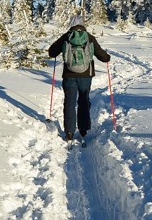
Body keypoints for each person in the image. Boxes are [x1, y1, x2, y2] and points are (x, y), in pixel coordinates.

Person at [48, 16, 111, 147]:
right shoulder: (89, 37)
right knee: (83, 101)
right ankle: (83, 131)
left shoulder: (66, 36)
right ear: (82, 24)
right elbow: (101, 55)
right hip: (86, 75)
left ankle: (69, 132)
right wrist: (107, 58)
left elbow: (52, 52)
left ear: (71, 24)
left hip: (69, 75)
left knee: (69, 103)